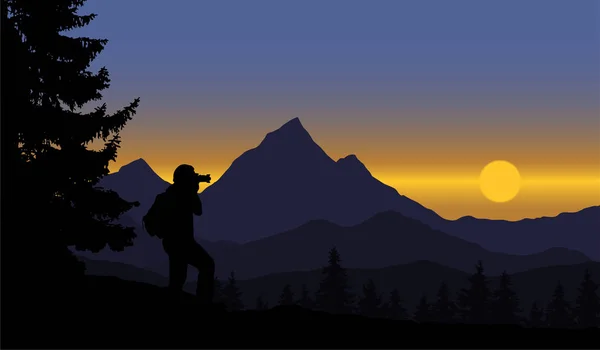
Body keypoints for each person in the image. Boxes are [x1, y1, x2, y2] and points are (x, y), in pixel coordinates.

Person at [161, 164, 215, 305]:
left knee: (177, 278)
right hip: (182, 242)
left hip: (172, 242)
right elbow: (198, 210)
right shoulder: (183, 194)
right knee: (206, 265)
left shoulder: (170, 193)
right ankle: (202, 302)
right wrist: (193, 190)